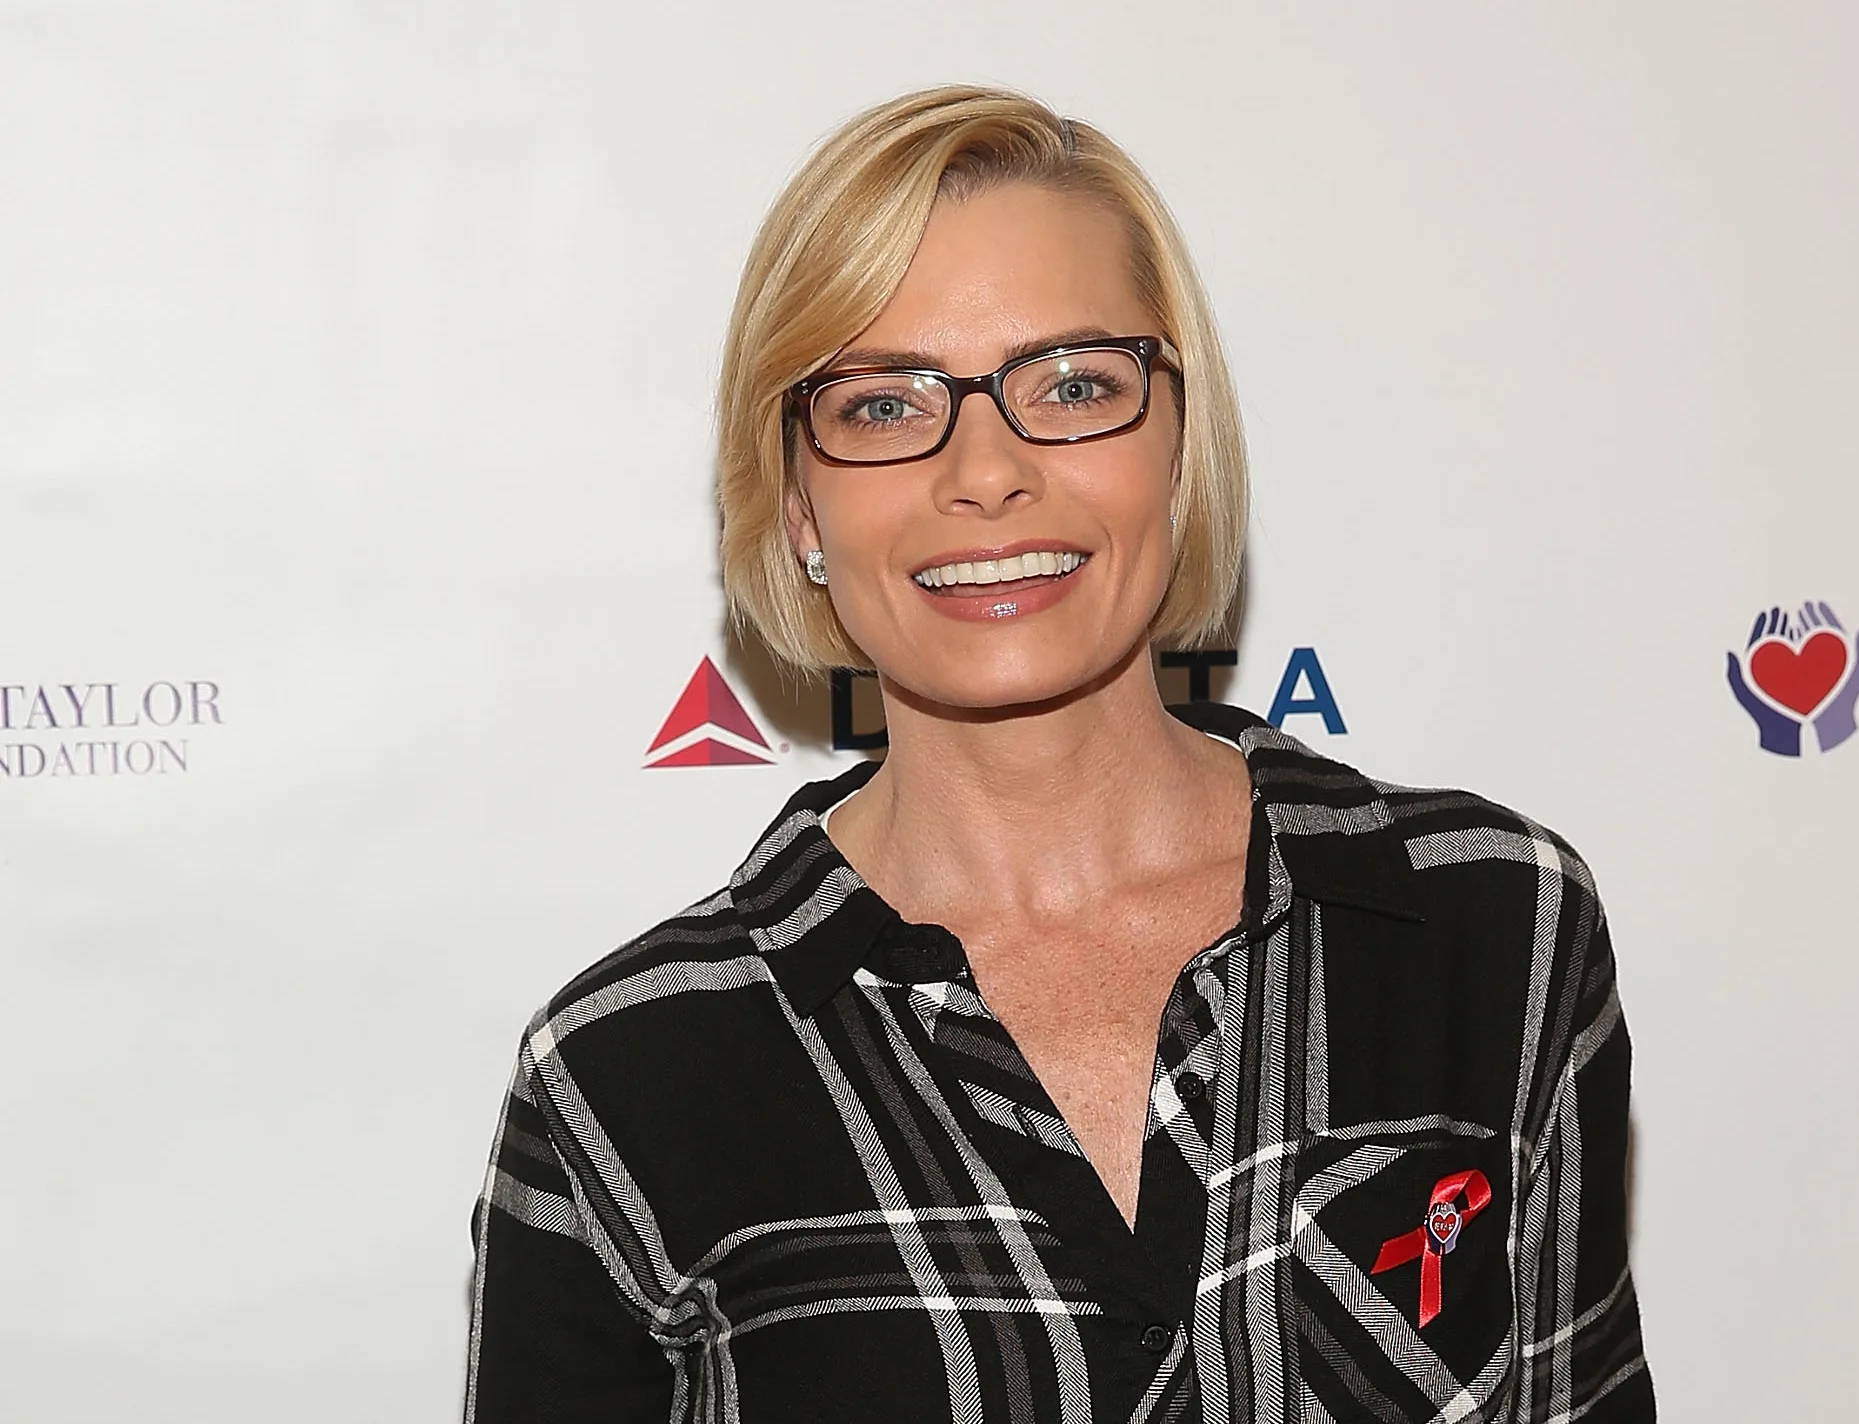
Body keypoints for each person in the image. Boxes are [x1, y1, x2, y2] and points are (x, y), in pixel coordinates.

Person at [464, 85, 1652, 1423]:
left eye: (1076, 385)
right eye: (881, 404)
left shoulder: (1490, 923)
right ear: (800, 502)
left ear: (1178, 445)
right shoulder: (628, 1073)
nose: (988, 470)